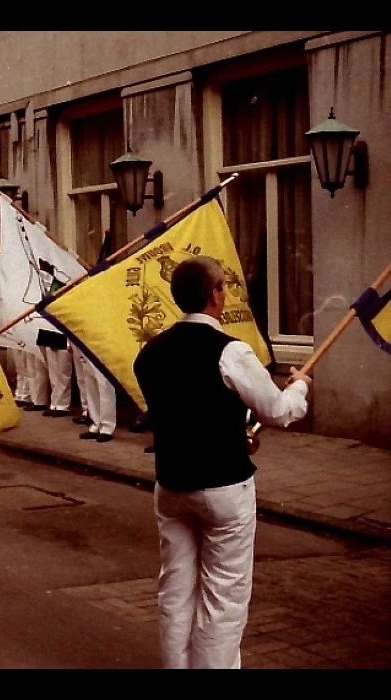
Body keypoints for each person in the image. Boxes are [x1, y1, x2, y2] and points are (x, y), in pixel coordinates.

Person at [133, 255, 310, 670]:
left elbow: (182, 412)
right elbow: (279, 411)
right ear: (215, 295)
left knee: (175, 588)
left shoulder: (149, 354)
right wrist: (300, 388)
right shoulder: (231, 351)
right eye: (222, 286)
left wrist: (234, 430)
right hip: (223, 488)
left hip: (172, 485)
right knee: (223, 596)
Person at [77, 353, 117, 442]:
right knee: (90, 386)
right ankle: (96, 423)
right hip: (87, 349)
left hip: (102, 349)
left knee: (105, 388)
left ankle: (107, 428)